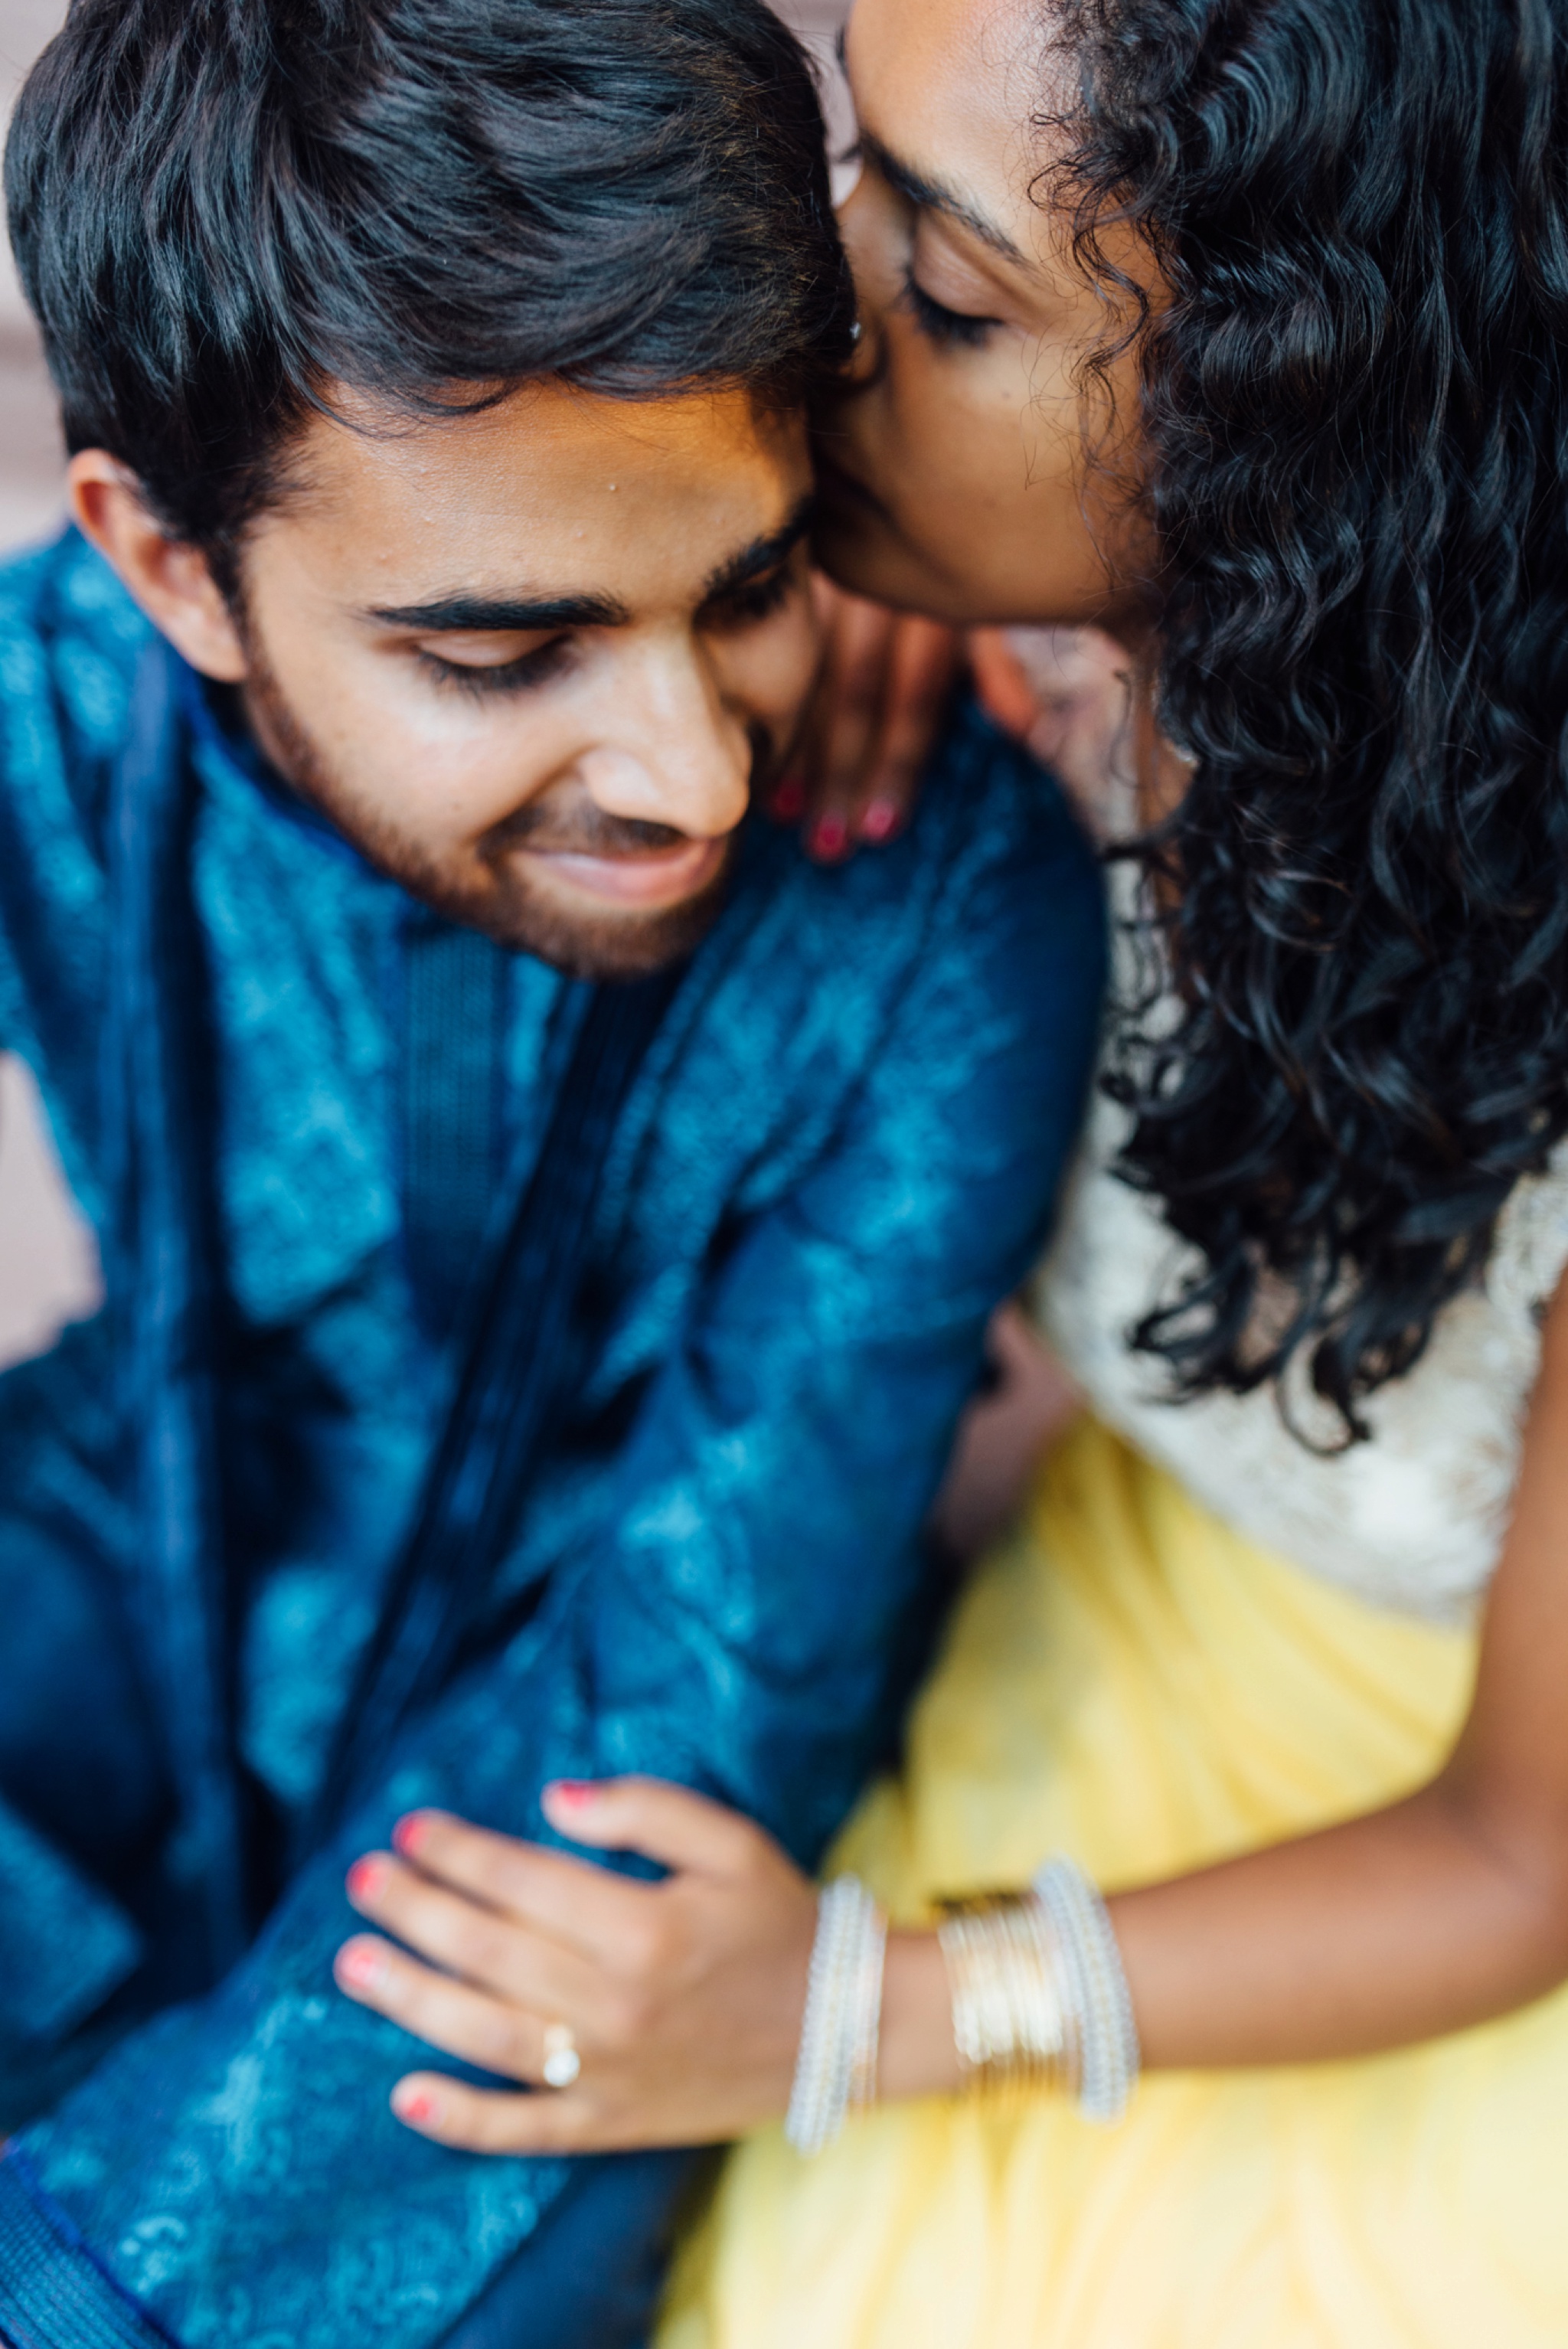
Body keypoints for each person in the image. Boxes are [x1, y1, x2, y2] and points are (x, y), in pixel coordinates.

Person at [328, 0, 1568, 2341]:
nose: (819, 303)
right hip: (1134, 1594)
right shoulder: (1041, 651)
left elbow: (1529, 1851)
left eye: (955, 292)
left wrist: (854, 2006)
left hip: (1440, 1847)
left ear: (1302, 429)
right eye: (854, 169)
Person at [0, 3, 1108, 2343]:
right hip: (148, 1527)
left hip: (622, 1750)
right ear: (169, 567)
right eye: (508, 647)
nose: (696, 772)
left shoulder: (946, 906)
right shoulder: (50, 711)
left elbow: (695, 1698)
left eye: (748, 582)